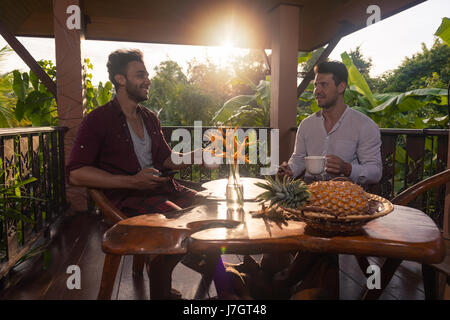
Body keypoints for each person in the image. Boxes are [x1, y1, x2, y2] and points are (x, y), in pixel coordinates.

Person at [66, 49, 202, 299]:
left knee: (209, 207)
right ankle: (162, 279)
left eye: (147, 74)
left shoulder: (150, 118)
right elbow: (76, 174)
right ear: (120, 79)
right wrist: (132, 181)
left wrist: (196, 155)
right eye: (140, 74)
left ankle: (178, 268)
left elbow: (165, 159)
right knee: (176, 222)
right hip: (126, 201)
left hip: (163, 190)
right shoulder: (98, 120)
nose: (148, 79)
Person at [278, 60, 382, 186]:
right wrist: (289, 170)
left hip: (345, 198)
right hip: (310, 195)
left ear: (341, 87)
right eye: (316, 85)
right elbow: (298, 159)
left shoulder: (364, 126)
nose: (317, 91)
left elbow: (375, 172)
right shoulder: (306, 125)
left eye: (324, 85)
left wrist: (347, 168)